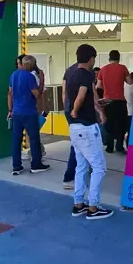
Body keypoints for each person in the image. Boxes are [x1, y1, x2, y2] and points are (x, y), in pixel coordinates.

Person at [67, 44, 113, 220]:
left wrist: (99, 110)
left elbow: (88, 97)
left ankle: (78, 203)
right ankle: (93, 207)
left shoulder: (72, 74)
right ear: (91, 58)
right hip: (86, 127)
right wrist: (76, 111)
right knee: (99, 168)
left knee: (81, 167)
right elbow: (81, 95)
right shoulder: (86, 75)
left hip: (75, 128)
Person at [8, 55, 50, 175]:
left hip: (16, 112)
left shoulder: (13, 75)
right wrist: (41, 82)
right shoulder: (30, 77)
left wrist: (10, 109)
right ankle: (36, 165)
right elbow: (36, 94)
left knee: (16, 140)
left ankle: (16, 166)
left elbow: (10, 93)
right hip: (29, 112)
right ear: (31, 64)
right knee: (34, 138)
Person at [96, 50, 131, 154]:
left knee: (109, 123)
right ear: (119, 58)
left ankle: (109, 147)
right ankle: (119, 146)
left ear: (109, 58)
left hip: (107, 101)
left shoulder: (103, 69)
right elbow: (129, 81)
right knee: (121, 124)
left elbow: (98, 86)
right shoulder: (123, 68)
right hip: (120, 101)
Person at [16, 55, 46, 161]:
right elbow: (42, 92)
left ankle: (37, 153)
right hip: (36, 108)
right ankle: (37, 152)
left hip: (30, 108)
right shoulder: (38, 73)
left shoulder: (29, 76)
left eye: (19, 64)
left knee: (30, 135)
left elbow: (37, 93)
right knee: (33, 133)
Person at [61, 60, 80, 190]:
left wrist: (66, 107)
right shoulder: (85, 72)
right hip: (78, 112)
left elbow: (63, 92)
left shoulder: (68, 71)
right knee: (78, 143)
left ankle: (81, 171)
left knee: (77, 142)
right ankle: (69, 177)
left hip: (68, 109)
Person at [124, 71, 133, 148]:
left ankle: (128, 146)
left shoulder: (125, 86)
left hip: (127, 111)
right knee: (132, 131)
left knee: (129, 131)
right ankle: (130, 147)